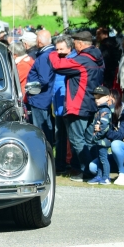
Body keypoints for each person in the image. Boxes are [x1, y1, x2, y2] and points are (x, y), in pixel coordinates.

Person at [49, 31, 105, 180]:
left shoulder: (82, 60)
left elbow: (58, 66)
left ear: (80, 43)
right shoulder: (97, 59)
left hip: (78, 104)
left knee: (76, 139)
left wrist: (53, 52)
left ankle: (90, 171)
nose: (73, 47)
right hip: (92, 103)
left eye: (74, 43)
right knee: (88, 140)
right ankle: (95, 170)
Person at [51, 37, 78, 175]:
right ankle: (60, 165)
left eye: (61, 49)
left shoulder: (73, 61)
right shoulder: (60, 59)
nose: (58, 52)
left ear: (69, 48)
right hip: (58, 105)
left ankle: (74, 165)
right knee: (60, 137)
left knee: (72, 137)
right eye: (56, 49)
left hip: (68, 105)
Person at [26, 30, 56, 146]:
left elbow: (44, 79)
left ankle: (43, 151)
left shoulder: (44, 56)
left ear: (39, 41)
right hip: (45, 96)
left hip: (40, 98)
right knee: (46, 126)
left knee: (41, 129)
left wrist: (29, 87)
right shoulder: (51, 53)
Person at [87, 86, 113, 184]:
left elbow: (104, 127)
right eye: (96, 98)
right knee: (99, 158)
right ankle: (99, 176)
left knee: (103, 159)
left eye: (100, 97)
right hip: (99, 140)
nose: (97, 100)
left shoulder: (105, 110)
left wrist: (97, 136)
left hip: (103, 140)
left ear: (107, 97)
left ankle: (106, 177)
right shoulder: (100, 110)